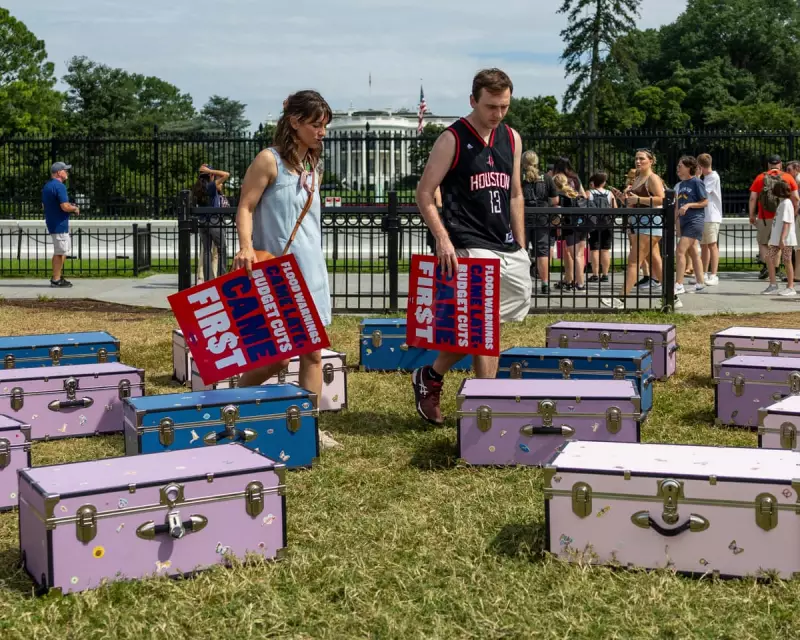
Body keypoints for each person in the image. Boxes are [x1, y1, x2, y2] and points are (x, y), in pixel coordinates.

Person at [411, 68, 531, 425]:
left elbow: (515, 194)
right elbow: (424, 193)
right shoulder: (452, 138)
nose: (498, 113)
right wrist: (443, 238)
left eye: (504, 106)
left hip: (505, 243)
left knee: (486, 326)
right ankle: (486, 405)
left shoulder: (512, 138)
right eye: (491, 106)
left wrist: (521, 244)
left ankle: (431, 374)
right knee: (483, 324)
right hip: (467, 240)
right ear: (473, 101)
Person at [232, 90, 340, 450]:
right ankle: (233, 402)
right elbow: (245, 206)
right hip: (278, 273)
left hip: (311, 270)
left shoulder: (312, 166)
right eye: (316, 124)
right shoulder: (269, 160)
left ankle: (309, 429)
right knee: (276, 360)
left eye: (325, 125)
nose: (322, 132)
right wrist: (245, 246)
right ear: (294, 122)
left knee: (313, 354)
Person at [602, 149, 667, 309]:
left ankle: (620, 299)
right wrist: (623, 198)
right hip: (640, 222)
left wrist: (639, 199)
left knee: (633, 261)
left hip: (650, 223)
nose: (638, 161)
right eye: (636, 158)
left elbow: (662, 199)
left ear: (651, 161)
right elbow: (634, 203)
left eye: (642, 159)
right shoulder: (637, 178)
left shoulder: (653, 178)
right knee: (655, 261)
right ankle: (672, 297)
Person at [749, 155, 799, 281]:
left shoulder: (760, 177)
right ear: (780, 164)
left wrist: (752, 215)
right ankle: (775, 269)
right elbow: (796, 198)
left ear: (768, 165)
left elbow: (753, 198)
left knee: (763, 243)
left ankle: (768, 266)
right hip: (782, 217)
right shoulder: (787, 177)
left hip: (764, 217)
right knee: (778, 244)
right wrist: (793, 213)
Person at [521, 150, 558, 295]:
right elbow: (555, 200)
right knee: (542, 252)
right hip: (542, 217)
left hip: (523, 217)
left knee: (522, 250)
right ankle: (545, 284)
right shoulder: (546, 178)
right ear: (537, 162)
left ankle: (523, 284)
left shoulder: (519, 176)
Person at [42, 161, 80, 288]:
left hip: (53, 222)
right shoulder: (60, 186)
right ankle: (56, 279)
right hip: (60, 224)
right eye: (65, 170)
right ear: (59, 172)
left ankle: (57, 276)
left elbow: (45, 205)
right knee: (60, 253)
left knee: (61, 251)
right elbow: (64, 206)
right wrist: (74, 208)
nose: (67, 172)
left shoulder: (47, 186)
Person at [674, 156, 708, 295]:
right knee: (693, 251)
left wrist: (689, 205)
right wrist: (676, 222)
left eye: (680, 166)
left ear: (689, 168)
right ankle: (700, 283)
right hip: (684, 221)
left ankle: (679, 284)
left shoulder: (697, 182)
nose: (678, 168)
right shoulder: (681, 184)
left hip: (694, 221)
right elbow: (678, 206)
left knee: (680, 250)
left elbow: (705, 202)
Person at [192, 164, 231, 283]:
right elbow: (226, 174)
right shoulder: (211, 186)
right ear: (211, 175)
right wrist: (210, 170)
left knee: (206, 251)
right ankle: (222, 276)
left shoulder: (196, 188)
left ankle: (208, 279)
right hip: (214, 220)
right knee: (221, 249)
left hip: (202, 222)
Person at [553, 173, 587, 291]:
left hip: (570, 228)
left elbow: (557, 217)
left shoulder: (560, 197)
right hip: (582, 226)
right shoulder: (576, 194)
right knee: (580, 255)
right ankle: (579, 282)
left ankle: (580, 284)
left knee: (575, 256)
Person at [763, 180, 797, 296]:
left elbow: (787, 222)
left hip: (784, 239)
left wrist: (782, 238)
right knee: (769, 258)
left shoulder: (786, 203)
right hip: (777, 239)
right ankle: (773, 284)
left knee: (787, 260)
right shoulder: (782, 203)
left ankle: (790, 287)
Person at [587, 172, 617, 284]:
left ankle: (595, 274)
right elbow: (615, 208)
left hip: (593, 223)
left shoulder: (589, 193)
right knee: (605, 249)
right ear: (603, 182)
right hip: (607, 223)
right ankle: (605, 275)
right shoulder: (609, 193)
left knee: (594, 249)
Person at [697, 153, 721, 286]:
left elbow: (703, 193)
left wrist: (697, 177)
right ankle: (704, 273)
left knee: (712, 245)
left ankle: (714, 274)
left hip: (712, 215)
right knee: (704, 246)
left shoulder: (713, 177)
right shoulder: (706, 178)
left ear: (700, 166)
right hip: (704, 216)